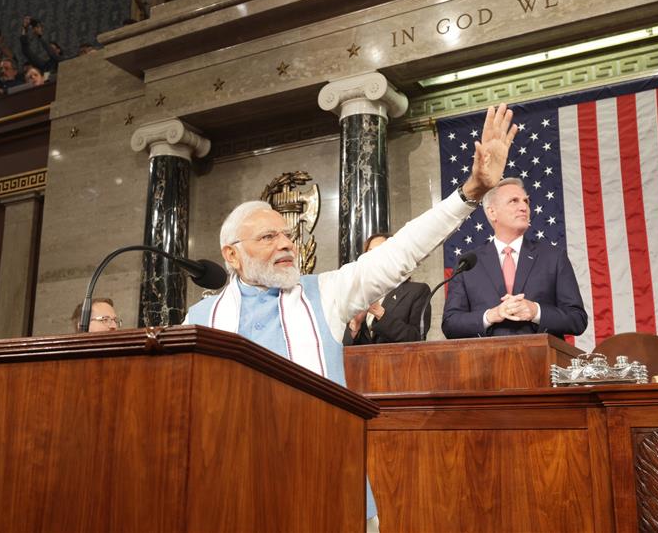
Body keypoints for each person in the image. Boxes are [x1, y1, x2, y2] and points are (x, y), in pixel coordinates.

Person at [184, 103, 518, 531]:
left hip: (329, 479)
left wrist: (469, 192)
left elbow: (401, 252)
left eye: (286, 233)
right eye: (268, 237)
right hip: (234, 490)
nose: (285, 244)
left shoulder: (323, 293)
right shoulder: (201, 318)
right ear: (231, 253)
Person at [442, 177, 587, 340]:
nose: (524, 207)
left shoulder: (553, 257)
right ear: (492, 212)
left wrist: (536, 311)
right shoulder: (468, 263)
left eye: (526, 201)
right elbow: (450, 324)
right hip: (486, 361)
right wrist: (491, 315)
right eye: (514, 201)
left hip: (541, 360)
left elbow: (577, 319)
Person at [343, 233, 431, 345]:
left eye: (380, 251)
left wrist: (380, 313)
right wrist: (355, 325)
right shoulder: (358, 293)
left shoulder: (417, 291)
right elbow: (342, 348)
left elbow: (417, 339)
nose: (373, 257)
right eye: (370, 253)